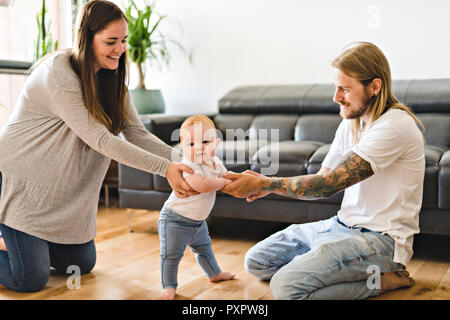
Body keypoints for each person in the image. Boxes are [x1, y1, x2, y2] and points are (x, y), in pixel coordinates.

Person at [0, 0, 197, 293]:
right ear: (86, 37)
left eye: (124, 41)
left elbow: (136, 133)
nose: (120, 49)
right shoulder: (59, 72)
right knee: (30, 278)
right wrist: (165, 169)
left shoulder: (111, 79)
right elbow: (102, 140)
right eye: (111, 41)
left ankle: (25, 243)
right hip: (23, 183)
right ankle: (16, 236)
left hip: (59, 196)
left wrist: (189, 162)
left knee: (80, 263)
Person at [221, 41, 425, 300]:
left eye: (345, 89)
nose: (336, 97)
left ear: (374, 87)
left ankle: (382, 281)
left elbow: (329, 184)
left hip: (381, 241)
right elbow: (319, 180)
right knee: (257, 262)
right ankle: (336, 267)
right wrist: (264, 186)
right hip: (340, 226)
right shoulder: (352, 122)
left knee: (285, 287)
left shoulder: (394, 126)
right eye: (335, 87)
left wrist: (264, 183)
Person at [159, 115, 235, 300]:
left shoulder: (215, 162)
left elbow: (228, 176)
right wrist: (224, 182)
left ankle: (214, 273)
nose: (199, 147)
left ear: (216, 143)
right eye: (191, 144)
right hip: (175, 220)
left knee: (204, 249)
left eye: (205, 142)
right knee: (171, 255)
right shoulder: (188, 164)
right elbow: (201, 184)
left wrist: (243, 180)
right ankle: (168, 286)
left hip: (198, 223)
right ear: (182, 147)